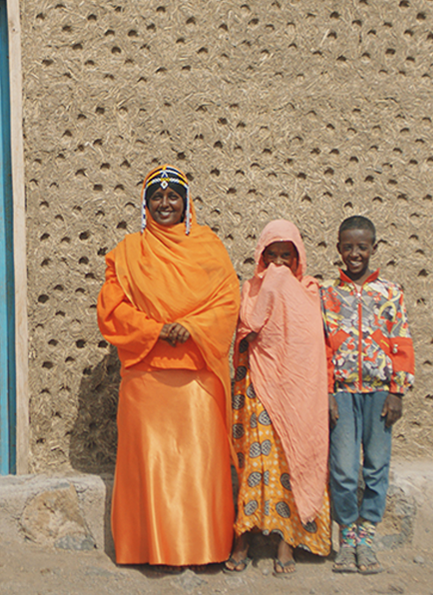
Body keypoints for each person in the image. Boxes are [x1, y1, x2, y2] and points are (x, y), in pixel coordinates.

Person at [96, 164, 240, 570]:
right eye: (156, 197)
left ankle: (203, 548)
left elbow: (228, 302)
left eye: (172, 197)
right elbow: (111, 308)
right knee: (152, 463)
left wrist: (191, 327)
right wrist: (155, 330)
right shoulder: (128, 252)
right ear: (145, 205)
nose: (164, 204)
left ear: (186, 203)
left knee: (198, 464)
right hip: (147, 376)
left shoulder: (210, 247)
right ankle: (151, 550)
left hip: (197, 374)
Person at [225, 220, 332, 576]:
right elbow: (247, 328)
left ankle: (287, 540)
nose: (279, 265)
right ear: (261, 256)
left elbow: (311, 345)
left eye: (287, 257)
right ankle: (243, 537)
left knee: (291, 462)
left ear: (298, 258)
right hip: (260, 388)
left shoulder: (310, 291)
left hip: (298, 396)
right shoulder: (251, 289)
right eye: (272, 256)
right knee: (256, 464)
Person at [320, 215, 415, 575]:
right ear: (339, 249)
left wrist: (398, 391)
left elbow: (402, 342)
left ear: (374, 248)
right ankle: (347, 533)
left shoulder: (390, 293)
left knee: (376, 465)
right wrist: (327, 391)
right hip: (342, 391)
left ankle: (367, 534)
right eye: (348, 246)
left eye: (362, 247)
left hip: (379, 391)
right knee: (343, 468)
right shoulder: (327, 292)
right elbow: (322, 346)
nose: (355, 253)